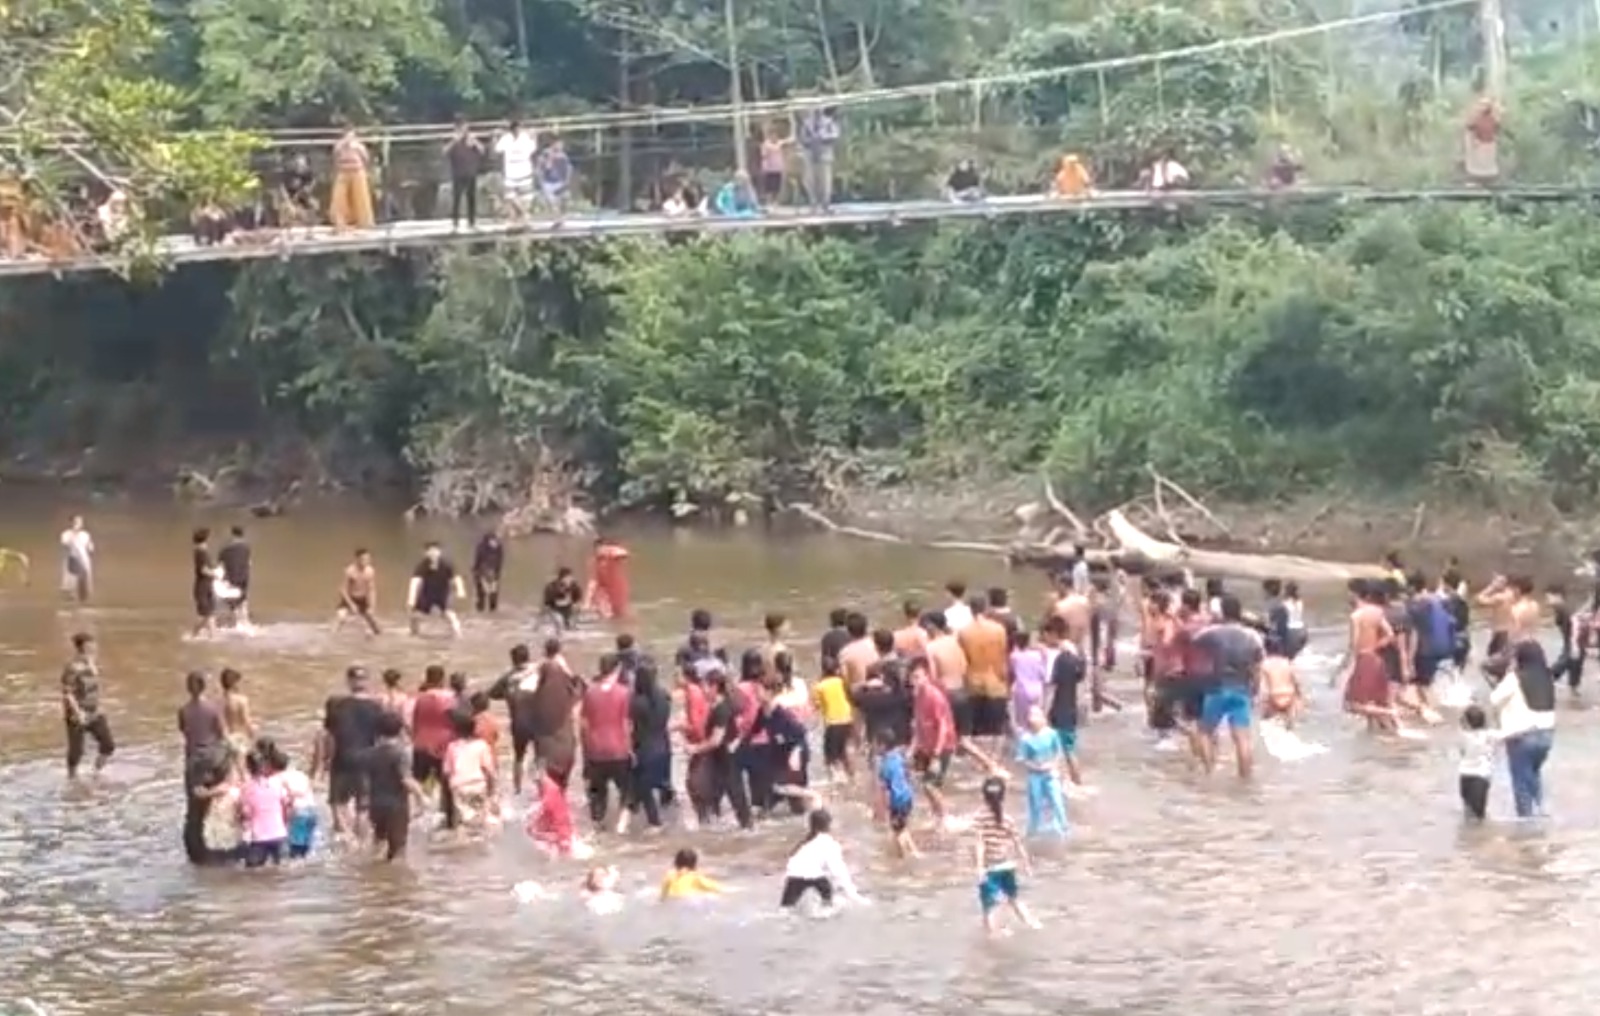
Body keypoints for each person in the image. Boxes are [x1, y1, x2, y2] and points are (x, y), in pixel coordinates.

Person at [1194, 594, 1264, 778]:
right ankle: (1245, 779)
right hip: (1242, 689)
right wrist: (1255, 690)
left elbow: (1195, 640)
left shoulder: (1212, 632)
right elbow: (1257, 666)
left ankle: (1209, 772)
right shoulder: (1252, 636)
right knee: (1242, 738)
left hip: (1216, 688)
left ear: (1222, 611)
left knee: (1204, 732)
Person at [315, 666, 387, 836]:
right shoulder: (376, 707)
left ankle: (346, 840)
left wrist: (323, 763)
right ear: (367, 682)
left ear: (348, 681)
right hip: (367, 760)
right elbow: (380, 739)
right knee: (363, 807)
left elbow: (328, 737)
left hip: (342, 759)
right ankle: (360, 842)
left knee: (338, 804)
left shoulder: (337, 705)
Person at [1490, 641, 1556, 818]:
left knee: (1521, 783)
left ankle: (1527, 826)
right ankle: (1542, 812)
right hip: (1547, 735)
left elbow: (1494, 699)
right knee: (1533, 775)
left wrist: (1507, 673)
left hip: (1522, 736)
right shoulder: (1547, 676)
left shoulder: (1514, 678)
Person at [973, 776, 1041, 935]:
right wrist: (1026, 865)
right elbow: (1017, 843)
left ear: (984, 796)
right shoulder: (1008, 819)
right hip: (1007, 866)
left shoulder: (980, 818)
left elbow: (979, 844)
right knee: (1014, 899)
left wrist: (979, 868)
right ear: (1004, 796)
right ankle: (1032, 924)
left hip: (990, 868)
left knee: (989, 907)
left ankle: (992, 935)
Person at [362, 711, 426, 862]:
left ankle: (373, 876)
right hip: (396, 806)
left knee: (378, 842)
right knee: (398, 850)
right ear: (400, 730)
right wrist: (421, 796)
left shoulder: (369, 753)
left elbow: (365, 781)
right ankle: (393, 882)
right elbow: (406, 780)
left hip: (375, 804)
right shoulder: (400, 753)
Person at [580, 654, 633, 833]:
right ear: (617, 669)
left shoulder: (589, 692)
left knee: (597, 795)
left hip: (596, 751)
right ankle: (621, 826)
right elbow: (626, 724)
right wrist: (630, 748)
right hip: (619, 750)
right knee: (626, 791)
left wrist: (586, 751)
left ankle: (598, 828)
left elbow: (584, 725)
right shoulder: (624, 692)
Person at [780, 809, 864, 910]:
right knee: (829, 906)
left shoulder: (804, 843)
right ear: (829, 825)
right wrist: (853, 894)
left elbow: (792, 863)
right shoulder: (829, 843)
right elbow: (838, 870)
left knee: (786, 909)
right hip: (815, 877)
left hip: (794, 877)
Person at [629, 660, 674, 829]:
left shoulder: (635, 702)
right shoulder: (664, 696)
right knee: (664, 785)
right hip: (664, 745)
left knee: (644, 791)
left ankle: (655, 824)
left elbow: (631, 727)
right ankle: (672, 819)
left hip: (644, 749)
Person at [61, 632, 114, 778]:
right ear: (83, 646)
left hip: (95, 711)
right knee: (76, 751)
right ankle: (71, 777)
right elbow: (67, 693)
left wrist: (100, 705)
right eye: (91, 644)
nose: (94, 647)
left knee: (108, 745)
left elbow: (95, 687)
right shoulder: (72, 667)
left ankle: (96, 773)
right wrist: (78, 713)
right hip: (77, 714)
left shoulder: (92, 663)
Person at [1015, 706, 1069, 837]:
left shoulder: (1051, 734)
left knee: (1057, 800)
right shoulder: (1025, 739)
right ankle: (1033, 831)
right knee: (1036, 804)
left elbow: (1058, 752)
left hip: (1050, 773)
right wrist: (1034, 767)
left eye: (1036, 715)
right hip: (1035, 775)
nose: (1033, 719)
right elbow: (1022, 759)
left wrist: (1054, 766)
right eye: (1030, 716)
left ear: (1043, 718)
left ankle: (1064, 828)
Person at [444, 708, 499, 830]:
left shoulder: (452, 747)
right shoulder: (481, 745)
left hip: (459, 787)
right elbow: (490, 771)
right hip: (478, 786)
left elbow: (447, 773)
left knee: (462, 822)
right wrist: (493, 792)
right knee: (483, 819)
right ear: (474, 729)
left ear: (456, 730)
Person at [239, 750, 289, 868]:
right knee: (282, 871)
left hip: (259, 837)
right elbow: (287, 804)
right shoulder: (277, 782)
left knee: (252, 873)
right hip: (279, 834)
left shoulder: (247, 788)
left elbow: (246, 813)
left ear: (248, 767)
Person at [408, 541, 465, 638]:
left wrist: (460, 590)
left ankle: (458, 633)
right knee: (415, 615)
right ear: (426, 553)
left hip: (442, 593)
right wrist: (411, 598)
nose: (433, 554)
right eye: (430, 551)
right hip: (427, 594)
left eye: (435, 551)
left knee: (450, 615)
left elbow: (456, 578)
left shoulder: (447, 564)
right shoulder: (422, 565)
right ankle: (414, 633)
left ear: (440, 552)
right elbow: (415, 582)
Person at [875, 731, 918, 858]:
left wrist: (881, 810)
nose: (875, 747)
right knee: (902, 828)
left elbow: (884, 790)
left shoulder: (885, 766)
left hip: (897, 802)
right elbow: (908, 775)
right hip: (908, 798)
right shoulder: (899, 757)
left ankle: (902, 858)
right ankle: (916, 853)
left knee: (897, 833)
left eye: (876, 744)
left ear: (882, 745)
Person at [814, 657, 855, 782]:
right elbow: (850, 698)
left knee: (830, 758)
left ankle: (835, 782)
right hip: (848, 719)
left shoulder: (819, 686)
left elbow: (816, 706)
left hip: (833, 723)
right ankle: (852, 776)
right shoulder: (841, 681)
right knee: (844, 751)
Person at [329, 123, 375, 230]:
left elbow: (366, 158)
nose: (348, 137)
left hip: (357, 171)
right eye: (346, 134)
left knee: (361, 197)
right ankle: (340, 222)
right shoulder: (339, 145)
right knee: (339, 198)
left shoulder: (359, 146)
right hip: (343, 172)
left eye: (351, 134)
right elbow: (335, 157)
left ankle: (364, 221)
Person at [797, 106, 840, 212]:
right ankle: (813, 203)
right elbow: (802, 138)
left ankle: (825, 204)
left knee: (825, 180)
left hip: (824, 155)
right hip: (810, 154)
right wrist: (810, 140)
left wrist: (823, 138)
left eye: (818, 109)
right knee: (810, 180)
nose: (816, 111)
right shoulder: (807, 123)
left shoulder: (828, 122)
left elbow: (835, 135)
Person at [444, 116, 484, 230]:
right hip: (457, 172)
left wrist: (475, 142)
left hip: (470, 172)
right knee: (456, 198)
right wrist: (454, 141)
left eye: (465, 126)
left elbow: (482, 151)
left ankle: (472, 222)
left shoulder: (471, 139)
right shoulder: (452, 138)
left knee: (471, 198)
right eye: (461, 127)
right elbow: (444, 151)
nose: (464, 129)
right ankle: (455, 223)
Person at [494, 119, 538, 219]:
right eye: (515, 129)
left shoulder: (525, 137)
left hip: (524, 170)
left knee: (526, 198)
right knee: (510, 197)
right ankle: (521, 215)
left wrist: (535, 136)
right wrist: (495, 137)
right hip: (511, 172)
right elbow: (497, 149)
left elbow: (533, 148)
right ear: (511, 130)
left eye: (519, 129)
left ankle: (522, 219)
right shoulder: (506, 138)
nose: (517, 131)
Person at [1457, 704, 1494, 821]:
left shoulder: (1462, 736)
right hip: (1482, 775)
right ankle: (1479, 835)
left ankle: (1470, 835)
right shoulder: (1490, 735)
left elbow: (1462, 752)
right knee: (1479, 812)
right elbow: (1507, 735)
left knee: (1468, 809)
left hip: (1465, 774)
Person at [334, 548, 381, 636]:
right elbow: (342, 590)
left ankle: (378, 637)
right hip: (350, 598)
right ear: (357, 559)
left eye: (368, 559)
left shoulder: (370, 571)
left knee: (373, 623)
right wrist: (351, 604)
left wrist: (372, 606)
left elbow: (372, 590)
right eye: (364, 559)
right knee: (341, 618)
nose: (366, 561)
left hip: (362, 599)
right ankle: (333, 637)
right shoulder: (350, 571)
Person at [584, 536, 631, 621]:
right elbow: (592, 581)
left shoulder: (612, 553)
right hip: (603, 591)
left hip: (618, 589)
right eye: (597, 549)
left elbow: (622, 554)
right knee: (606, 614)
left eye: (601, 548)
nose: (599, 551)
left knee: (620, 615)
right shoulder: (594, 561)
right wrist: (587, 601)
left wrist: (616, 552)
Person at [218, 525, 252, 628]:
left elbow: (220, 566)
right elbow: (249, 563)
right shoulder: (247, 548)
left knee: (232, 601)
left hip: (231, 577)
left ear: (232, 534)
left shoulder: (225, 550)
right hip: (244, 577)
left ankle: (236, 623)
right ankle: (246, 622)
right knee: (243, 598)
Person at [661, 847, 725, 900]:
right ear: (694, 864)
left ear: (676, 863)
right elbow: (717, 889)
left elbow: (662, 896)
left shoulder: (670, 875)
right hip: (688, 901)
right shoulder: (695, 877)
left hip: (673, 901)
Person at [191, 527, 219, 639]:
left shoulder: (202, 552)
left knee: (210, 613)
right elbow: (203, 570)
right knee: (205, 614)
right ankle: (194, 635)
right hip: (202, 587)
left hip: (207, 585)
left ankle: (213, 637)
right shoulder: (200, 552)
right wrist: (215, 574)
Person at [58, 514, 94, 603]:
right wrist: (74, 534)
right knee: (70, 580)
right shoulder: (66, 534)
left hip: (84, 559)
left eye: (80, 522)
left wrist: (90, 547)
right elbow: (65, 545)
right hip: (72, 559)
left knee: (84, 581)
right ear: (72, 523)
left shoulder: (85, 535)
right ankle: (70, 597)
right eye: (76, 522)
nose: (79, 524)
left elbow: (90, 548)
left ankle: (83, 598)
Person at [471, 528, 505, 614]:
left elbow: (500, 563)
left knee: (493, 593)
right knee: (481, 594)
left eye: (496, 541)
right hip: (480, 573)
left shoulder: (499, 548)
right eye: (493, 541)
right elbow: (477, 562)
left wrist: (497, 577)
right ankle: (480, 610)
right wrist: (479, 576)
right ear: (489, 541)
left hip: (494, 573)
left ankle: (493, 611)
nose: (495, 543)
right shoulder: (481, 548)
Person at [536, 138, 572, 217]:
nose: (560, 147)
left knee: (564, 199)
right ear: (553, 144)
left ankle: (561, 217)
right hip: (548, 182)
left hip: (559, 182)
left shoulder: (563, 156)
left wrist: (566, 180)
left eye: (561, 145)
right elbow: (542, 167)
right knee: (552, 203)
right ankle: (557, 218)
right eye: (558, 144)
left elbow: (568, 168)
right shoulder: (546, 154)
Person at [542, 565, 582, 630]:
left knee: (571, 618)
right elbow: (548, 602)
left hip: (568, 609)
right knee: (559, 622)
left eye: (571, 577)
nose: (571, 579)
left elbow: (578, 598)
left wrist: (576, 605)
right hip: (555, 609)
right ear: (563, 578)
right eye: (569, 577)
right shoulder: (552, 586)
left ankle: (570, 624)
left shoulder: (574, 586)